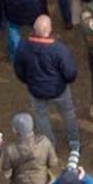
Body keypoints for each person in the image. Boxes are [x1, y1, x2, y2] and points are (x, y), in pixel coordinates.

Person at [13, 14, 80, 156]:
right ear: (49, 29)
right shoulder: (59, 49)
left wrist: (29, 81)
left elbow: (18, 70)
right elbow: (70, 73)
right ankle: (74, 142)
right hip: (59, 91)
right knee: (68, 114)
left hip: (36, 91)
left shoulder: (23, 47)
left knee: (41, 117)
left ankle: (50, 144)